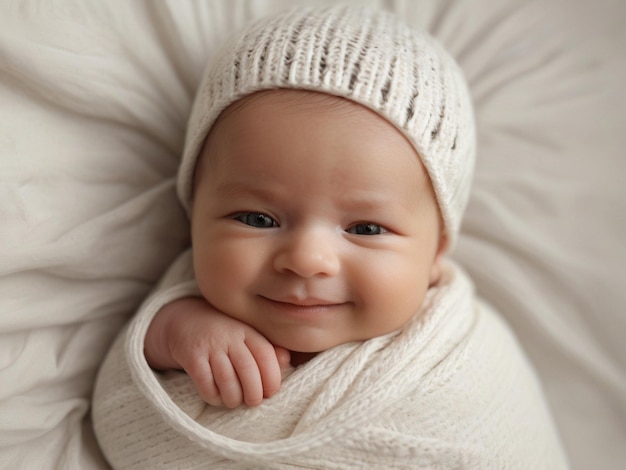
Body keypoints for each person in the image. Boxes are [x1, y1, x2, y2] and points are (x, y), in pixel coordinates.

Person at [93, 6, 567, 468]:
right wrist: (170, 333)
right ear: (194, 216)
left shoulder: (464, 371)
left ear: (436, 252)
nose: (307, 260)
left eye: (365, 229)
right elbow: (121, 420)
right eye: (256, 219)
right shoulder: (187, 312)